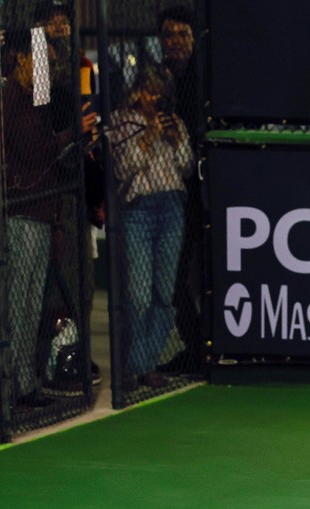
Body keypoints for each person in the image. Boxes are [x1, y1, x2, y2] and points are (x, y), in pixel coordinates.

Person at [0, 31, 96, 411]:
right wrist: (70, 134)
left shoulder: (37, 99)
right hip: (19, 212)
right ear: (21, 59)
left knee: (31, 306)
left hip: (41, 210)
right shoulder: (10, 97)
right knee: (12, 306)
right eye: (41, 59)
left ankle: (23, 384)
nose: (47, 67)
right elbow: (30, 147)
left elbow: (49, 147)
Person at [106, 64, 194, 391]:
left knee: (164, 293)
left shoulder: (174, 121)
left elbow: (186, 166)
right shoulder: (122, 121)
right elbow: (123, 167)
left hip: (170, 206)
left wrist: (175, 139)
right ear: (138, 91)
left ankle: (147, 364)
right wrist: (148, 137)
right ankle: (132, 365)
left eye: (160, 93)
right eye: (150, 92)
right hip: (138, 209)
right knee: (139, 295)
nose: (155, 99)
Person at [154, 4, 205, 376]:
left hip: (199, 187)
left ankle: (207, 346)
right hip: (167, 192)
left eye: (181, 34)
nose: (174, 41)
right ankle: (196, 345)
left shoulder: (204, 77)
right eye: (168, 35)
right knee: (173, 277)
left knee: (200, 272)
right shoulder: (156, 81)